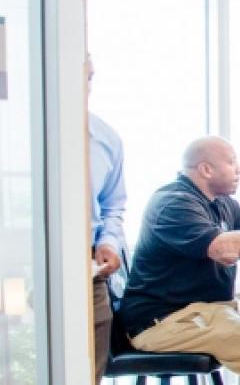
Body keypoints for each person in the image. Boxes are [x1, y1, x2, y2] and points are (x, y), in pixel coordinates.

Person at [118, 136, 240, 385]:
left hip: (210, 311)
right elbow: (224, 249)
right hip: (164, 320)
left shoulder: (222, 203)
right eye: (232, 162)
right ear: (206, 169)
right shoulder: (173, 203)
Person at [87, 55, 128, 380]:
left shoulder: (106, 139)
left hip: (91, 269)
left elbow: (113, 206)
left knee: (91, 367)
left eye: (89, 77)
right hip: (29, 267)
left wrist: (109, 241)